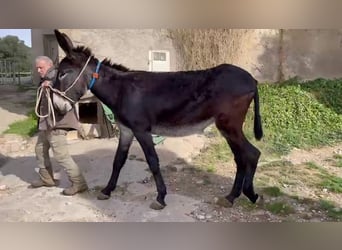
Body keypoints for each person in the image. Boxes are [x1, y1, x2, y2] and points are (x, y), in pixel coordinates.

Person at [30, 55, 88, 195]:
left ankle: (79, 183)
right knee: (40, 151)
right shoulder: (44, 79)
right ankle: (47, 179)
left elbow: (65, 101)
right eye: (37, 67)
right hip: (46, 124)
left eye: (41, 67)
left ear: (49, 65)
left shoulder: (59, 78)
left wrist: (51, 87)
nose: (38, 70)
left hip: (58, 124)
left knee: (61, 156)